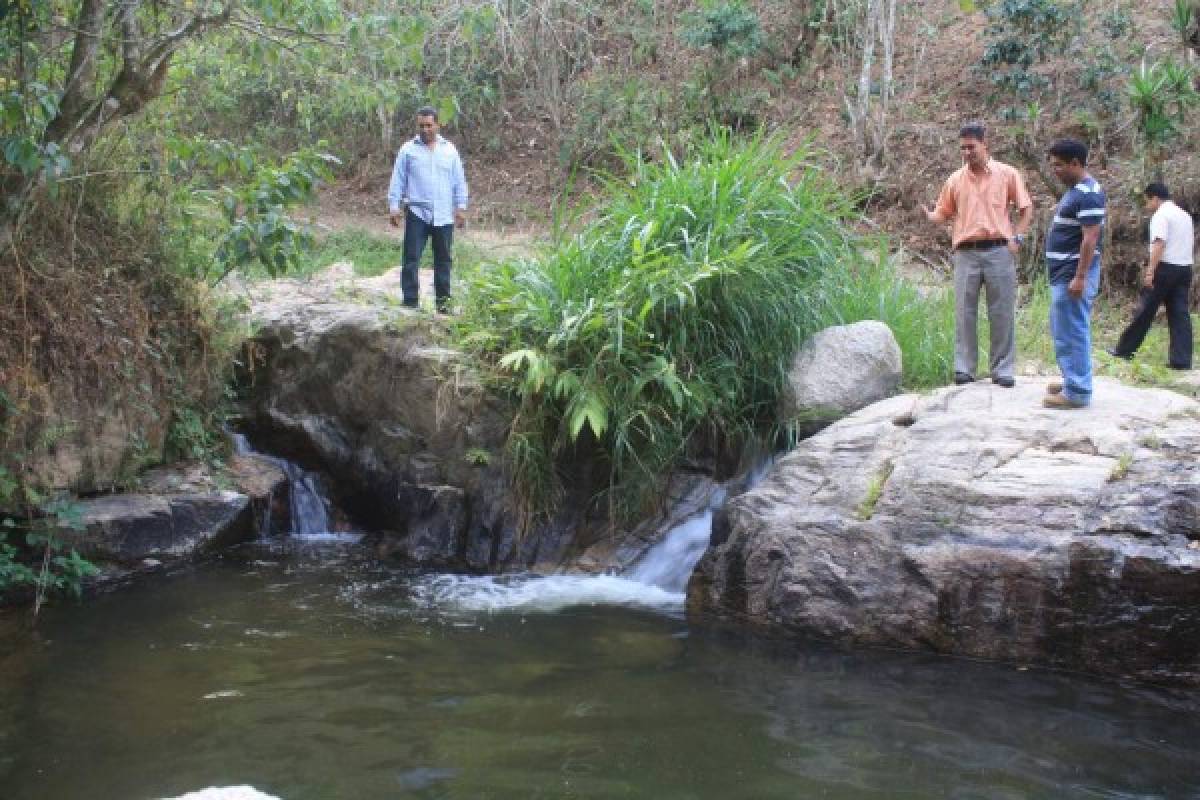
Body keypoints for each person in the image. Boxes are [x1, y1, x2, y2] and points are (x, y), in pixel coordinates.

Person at [922, 123, 1033, 388]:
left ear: (985, 144)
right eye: (962, 148)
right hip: (966, 253)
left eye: (971, 147)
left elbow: (1026, 208)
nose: (967, 152)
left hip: (999, 250)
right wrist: (929, 216)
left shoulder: (1007, 174)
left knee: (1002, 311)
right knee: (964, 312)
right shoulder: (955, 180)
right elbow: (943, 212)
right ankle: (964, 369)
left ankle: (1003, 369)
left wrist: (1017, 237)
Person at [1042, 138, 1106, 409]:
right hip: (1063, 272)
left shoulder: (1088, 193)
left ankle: (1078, 390)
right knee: (1063, 328)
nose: (1054, 171)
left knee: (1073, 329)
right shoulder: (1077, 190)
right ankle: (1072, 378)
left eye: (1059, 166)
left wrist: (1080, 276)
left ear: (1075, 163)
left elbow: (1090, 238)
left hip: (1073, 273)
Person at [388, 106, 468, 313]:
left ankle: (443, 305)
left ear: (438, 125)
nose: (425, 130)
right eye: (421, 125)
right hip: (417, 213)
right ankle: (410, 302)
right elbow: (398, 179)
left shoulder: (449, 150)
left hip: (443, 215)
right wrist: (394, 206)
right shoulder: (408, 150)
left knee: (443, 260)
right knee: (411, 258)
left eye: (429, 125)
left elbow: (459, 181)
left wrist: (461, 207)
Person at [1108, 182, 1193, 370]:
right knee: (1180, 314)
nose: (1147, 206)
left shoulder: (1161, 215)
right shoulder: (1184, 215)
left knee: (1145, 310)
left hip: (1164, 268)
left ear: (1155, 198)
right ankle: (1181, 360)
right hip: (1184, 268)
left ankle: (1124, 350)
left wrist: (1150, 271)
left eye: (1147, 201)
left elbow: (1159, 244)